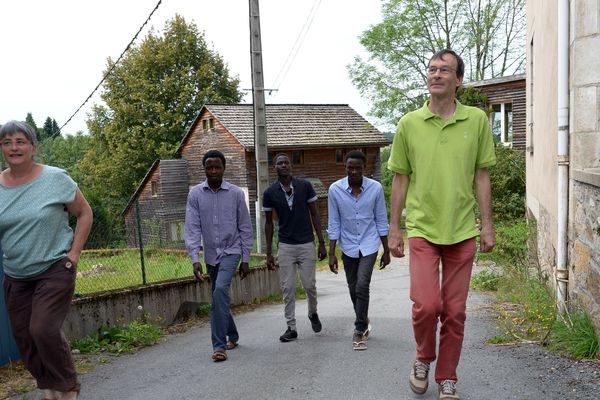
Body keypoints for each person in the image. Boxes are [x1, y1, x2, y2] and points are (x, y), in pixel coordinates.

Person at [387, 49, 496, 400]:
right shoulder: (409, 124)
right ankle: (423, 358)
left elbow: (481, 175)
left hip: (462, 229)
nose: (435, 74)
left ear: (459, 79)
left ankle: (447, 376)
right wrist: (394, 229)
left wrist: (488, 224)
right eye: (431, 69)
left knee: (455, 311)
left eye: (444, 70)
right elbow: (400, 180)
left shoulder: (476, 120)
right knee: (427, 306)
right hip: (422, 228)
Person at [0, 120, 93, 400]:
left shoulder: (55, 178)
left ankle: (68, 386)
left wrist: (74, 254)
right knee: (24, 338)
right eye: (7, 142)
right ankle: (47, 386)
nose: (14, 147)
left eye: (20, 142)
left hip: (54, 268)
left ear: (33, 147)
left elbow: (85, 213)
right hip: (15, 274)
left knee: (42, 329)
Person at [184, 150, 253, 362]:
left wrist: (246, 258)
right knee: (218, 295)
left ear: (224, 168)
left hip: (232, 251)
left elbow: (245, 226)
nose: (213, 171)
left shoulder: (235, 194)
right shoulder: (195, 194)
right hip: (210, 255)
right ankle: (233, 334)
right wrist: (195, 258)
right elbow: (192, 228)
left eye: (217, 167)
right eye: (209, 167)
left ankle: (219, 346)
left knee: (220, 290)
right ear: (204, 169)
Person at [327, 150, 390, 351]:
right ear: (345, 168)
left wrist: (386, 249)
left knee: (362, 285)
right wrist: (331, 253)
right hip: (348, 245)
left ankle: (359, 328)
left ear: (364, 168)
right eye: (350, 167)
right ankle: (363, 317)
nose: (353, 171)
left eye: (358, 168)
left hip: (370, 243)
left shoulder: (376, 189)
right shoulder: (335, 190)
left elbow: (381, 219)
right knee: (353, 287)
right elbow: (334, 222)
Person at [263, 153, 327, 342]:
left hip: (306, 243)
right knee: (287, 287)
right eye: (279, 163)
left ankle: (312, 313)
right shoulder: (270, 193)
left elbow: (315, 214)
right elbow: (268, 224)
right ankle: (291, 327)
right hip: (286, 245)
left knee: (309, 286)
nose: (283, 165)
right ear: (274, 167)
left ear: (291, 166)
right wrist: (269, 253)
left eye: (286, 162)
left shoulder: (304, 186)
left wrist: (321, 242)